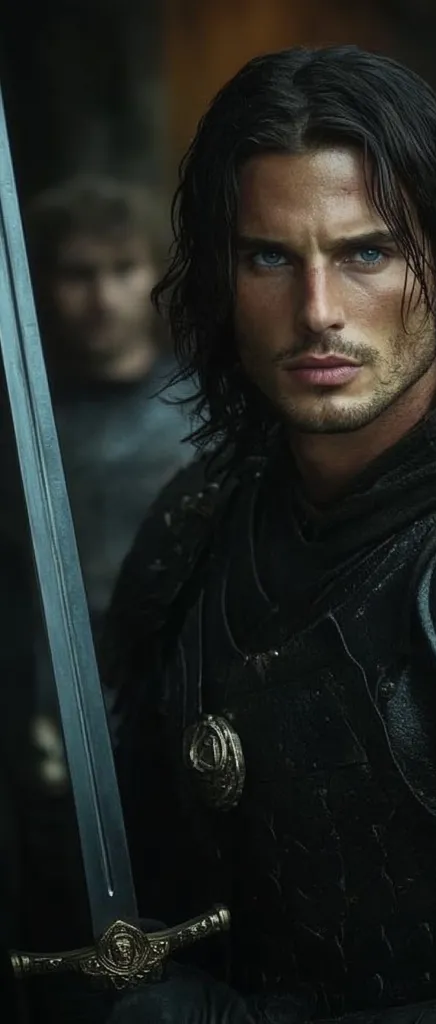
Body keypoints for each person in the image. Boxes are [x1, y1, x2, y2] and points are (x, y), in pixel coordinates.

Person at [59, 46, 436, 1022]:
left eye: (365, 252)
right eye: (270, 256)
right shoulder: (200, 518)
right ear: (221, 282)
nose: (318, 313)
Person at [0, 177, 194, 968]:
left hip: (183, 688)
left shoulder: (208, 403)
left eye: (120, 269)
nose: (101, 296)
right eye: (78, 274)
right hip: (51, 713)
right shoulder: (17, 417)